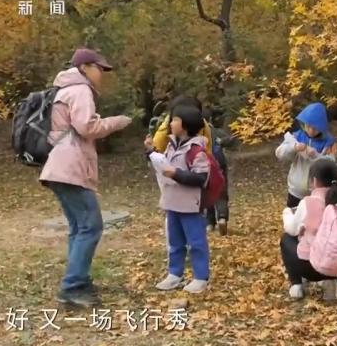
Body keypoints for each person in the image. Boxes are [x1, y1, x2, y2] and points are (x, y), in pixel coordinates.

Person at [40, 48, 133, 307]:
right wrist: (117, 122)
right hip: (70, 168)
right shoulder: (80, 90)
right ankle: (72, 287)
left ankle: (78, 279)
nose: (102, 73)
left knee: (79, 227)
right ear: (85, 67)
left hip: (58, 166)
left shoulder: (64, 89)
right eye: (99, 68)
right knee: (91, 226)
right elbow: (86, 127)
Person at [146, 105, 212, 293]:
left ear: (185, 125)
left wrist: (176, 174)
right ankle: (175, 274)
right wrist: (150, 152)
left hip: (190, 205)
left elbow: (201, 178)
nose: (170, 123)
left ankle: (201, 277)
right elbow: (163, 164)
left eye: (175, 120)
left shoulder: (196, 150)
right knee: (174, 242)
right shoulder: (171, 145)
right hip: (172, 202)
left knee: (196, 243)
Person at [151, 96, 230, 236]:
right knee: (212, 195)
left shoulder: (170, 126)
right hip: (188, 170)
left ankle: (207, 224)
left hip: (178, 173)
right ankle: (218, 219)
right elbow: (208, 146)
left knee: (185, 211)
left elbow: (157, 144)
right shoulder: (202, 124)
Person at [281, 159, 337, 301]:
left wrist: (287, 213)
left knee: (286, 239)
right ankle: (330, 282)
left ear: (314, 181)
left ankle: (296, 285)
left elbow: (291, 229)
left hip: (311, 268)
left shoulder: (308, 203)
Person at [275, 102, 337, 208]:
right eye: (308, 126)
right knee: (293, 217)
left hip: (317, 194)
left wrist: (316, 156)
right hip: (295, 192)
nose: (311, 131)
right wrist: (294, 147)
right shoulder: (296, 137)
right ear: (304, 124)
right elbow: (279, 154)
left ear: (322, 127)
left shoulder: (328, 143)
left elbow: (330, 165)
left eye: (315, 128)